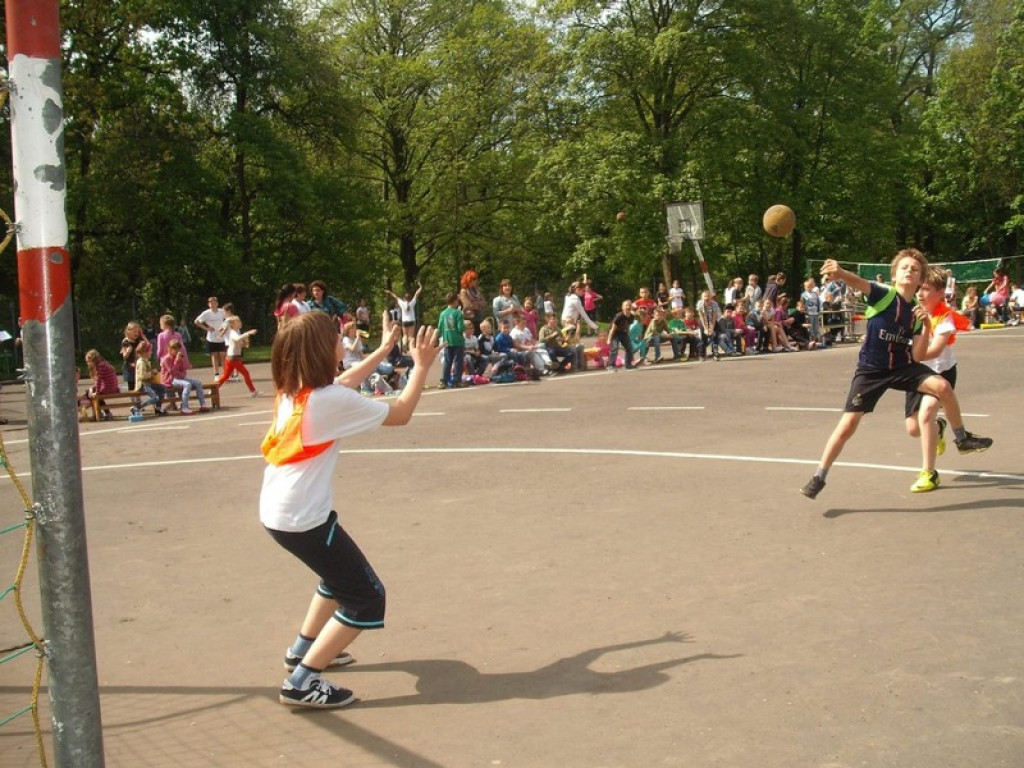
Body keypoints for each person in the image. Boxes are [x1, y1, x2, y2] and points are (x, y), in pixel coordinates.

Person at [262, 311, 440, 709]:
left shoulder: (295, 392)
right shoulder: (328, 402)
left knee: (335, 577)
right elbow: (401, 413)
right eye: (337, 338)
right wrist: (422, 367)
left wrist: (382, 351)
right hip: (302, 517)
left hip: (281, 512)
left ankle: (300, 650)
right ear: (322, 350)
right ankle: (302, 681)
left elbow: (344, 382)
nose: (343, 342)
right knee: (366, 597)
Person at [800, 250, 993, 500]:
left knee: (943, 387)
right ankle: (819, 476)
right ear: (894, 274)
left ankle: (962, 438)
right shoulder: (884, 294)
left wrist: (925, 327)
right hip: (871, 370)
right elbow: (859, 282)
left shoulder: (915, 311)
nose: (909, 271)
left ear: (920, 278)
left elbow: (919, 355)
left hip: (903, 366)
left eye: (914, 268)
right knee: (848, 424)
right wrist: (839, 273)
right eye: (904, 267)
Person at [903, 266, 971, 493]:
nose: (920, 294)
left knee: (925, 416)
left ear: (941, 293)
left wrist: (914, 355)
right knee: (913, 429)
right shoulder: (912, 311)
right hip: (916, 374)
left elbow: (934, 350)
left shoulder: (945, 317)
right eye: (919, 289)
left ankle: (929, 473)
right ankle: (939, 427)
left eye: (926, 290)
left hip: (940, 373)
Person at [161, 338, 209, 415]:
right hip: (170, 379)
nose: (177, 351)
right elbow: (172, 372)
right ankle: (184, 407)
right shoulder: (166, 359)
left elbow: (183, 369)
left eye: (178, 349)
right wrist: (176, 361)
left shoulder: (179, 357)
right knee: (187, 384)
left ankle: (203, 404)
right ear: (170, 349)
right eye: (175, 349)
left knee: (198, 382)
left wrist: (182, 363)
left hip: (179, 377)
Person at [215, 316, 260, 396]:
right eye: (238, 321)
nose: (240, 322)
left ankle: (214, 388)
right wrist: (248, 333)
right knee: (245, 373)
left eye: (239, 321)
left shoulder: (237, 332)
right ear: (232, 324)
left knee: (226, 376)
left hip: (232, 357)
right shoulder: (233, 332)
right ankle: (253, 391)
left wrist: (245, 342)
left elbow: (240, 344)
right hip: (233, 358)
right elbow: (237, 339)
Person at [130, 339, 167, 417]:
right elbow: (142, 376)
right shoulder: (141, 362)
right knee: (155, 397)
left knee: (163, 388)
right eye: (150, 351)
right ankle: (137, 407)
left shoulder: (146, 361)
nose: (151, 352)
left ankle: (158, 408)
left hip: (149, 383)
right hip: (143, 384)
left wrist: (153, 374)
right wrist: (152, 373)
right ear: (144, 353)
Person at [194, 296, 228, 378]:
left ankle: (226, 374)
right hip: (212, 337)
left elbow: (229, 319)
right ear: (208, 304)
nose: (213, 304)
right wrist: (206, 328)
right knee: (214, 355)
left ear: (217, 303)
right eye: (211, 303)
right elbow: (196, 321)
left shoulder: (222, 312)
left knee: (223, 355)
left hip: (221, 337)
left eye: (214, 303)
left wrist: (224, 329)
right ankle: (216, 374)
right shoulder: (206, 313)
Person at [437, 292, 465, 389]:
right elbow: (460, 328)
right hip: (458, 340)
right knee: (458, 361)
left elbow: (440, 327)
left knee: (447, 361)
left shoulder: (443, 313)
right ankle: (457, 381)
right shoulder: (458, 313)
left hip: (447, 340)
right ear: (455, 301)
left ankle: (443, 381)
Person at [385, 282, 424, 351]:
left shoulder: (402, 303)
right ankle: (411, 348)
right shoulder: (412, 303)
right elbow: (417, 294)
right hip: (411, 320)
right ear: (410, 298)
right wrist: (420, 287)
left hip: (404, 321)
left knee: (405, 335)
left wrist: (389, 292)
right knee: (411, 336)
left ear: (404, 298)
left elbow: (395, 296)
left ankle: (404, 345)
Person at [85, 349, 120, 420]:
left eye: (88, 362)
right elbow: (99, 382)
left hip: (108, 388)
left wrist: (96, 392)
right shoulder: (104, 363)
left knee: (90, 394)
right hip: (113, 387)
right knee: (90, 392)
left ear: (92, 360)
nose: (88, 364)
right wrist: (92, 388)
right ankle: (103, 412)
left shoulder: (100, 366)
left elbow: (99, 381)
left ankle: (98, 413)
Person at [607, 300, 635, 370]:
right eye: (626, 305)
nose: (628, 307)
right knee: (615, 347)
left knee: (629, 348)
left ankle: (628, 364)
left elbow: (627, 326)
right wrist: (609, 340)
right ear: (622, 307)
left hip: (623, 333)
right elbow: (613, 329)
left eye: (629, 305)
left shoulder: (631, 316)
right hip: (615, 333)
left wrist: (628, 336)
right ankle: (611, 365)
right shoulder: (619, 316)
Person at [120, 321, 147, 390]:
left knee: (139, 385)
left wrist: (142, 335)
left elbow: (146, 344)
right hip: (129, 367)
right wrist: (128, 351)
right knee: (131, 386)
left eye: (137, 332)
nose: (136, 333)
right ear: (129, 331)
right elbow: (124, 356)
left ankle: (137, 400)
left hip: (137, 365)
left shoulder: (137, 340)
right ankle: (134, 400)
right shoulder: (126, 341)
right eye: (134, 331)